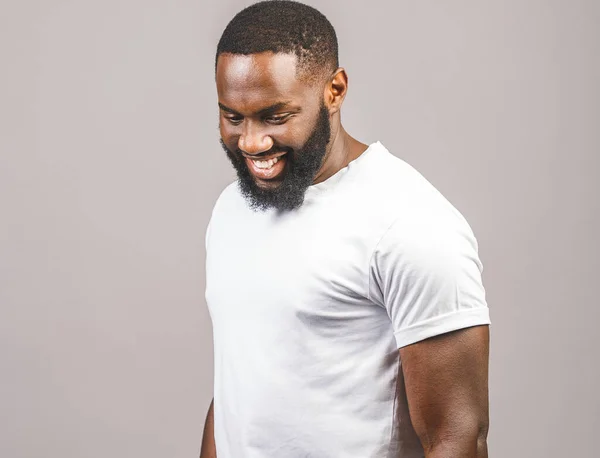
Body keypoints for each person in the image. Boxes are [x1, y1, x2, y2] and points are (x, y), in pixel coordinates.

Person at [201, 1, 491, 457]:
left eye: (275, 117)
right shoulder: (232, 207)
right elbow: (238, 390)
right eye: (233, 117)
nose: (252, 142)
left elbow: (456, 439)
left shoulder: (411, 225)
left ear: (334, 90)